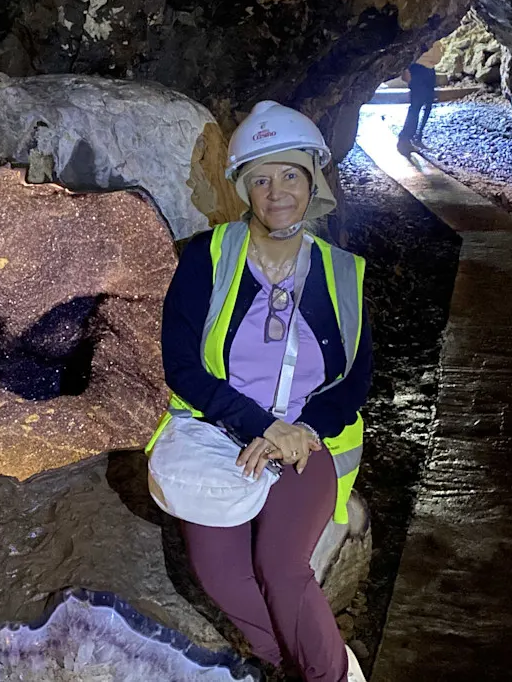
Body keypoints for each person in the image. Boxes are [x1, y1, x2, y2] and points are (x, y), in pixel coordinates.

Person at [147, 101, 372, 682]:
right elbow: (183, 367)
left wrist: (300, 431)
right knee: (219, 572)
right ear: (244, 188)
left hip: (309, 441)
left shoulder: (342, 271)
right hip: (222, 431)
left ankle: (331, 677)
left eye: (291, 175)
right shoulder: (206, 259)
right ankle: (291, 664)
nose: (278, 192)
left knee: (280, 563)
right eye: (262, 179)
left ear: (313, 180)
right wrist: (257, 425)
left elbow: (356, 376)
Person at [397, 40, 444, 155]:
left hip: (429, 69)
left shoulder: (434, 33)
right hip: (418, 69)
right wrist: (405, 70)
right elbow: (407, 49)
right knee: (416, 105)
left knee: (428, 104)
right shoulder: (422, 34)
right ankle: (404, 138)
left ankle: (417, 136)